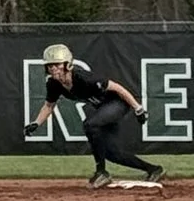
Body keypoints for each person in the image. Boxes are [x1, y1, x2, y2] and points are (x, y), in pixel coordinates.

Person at [27, 42, 162, 187]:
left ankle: (101, 172)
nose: (53, 68)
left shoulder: (83, 78)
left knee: (90, 125)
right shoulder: (53, 84)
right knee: (112, 153)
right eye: (50, 65)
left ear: (68, 64)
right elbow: (49, 105)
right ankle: (153, 169)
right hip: (103, 108)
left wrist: (138, 108)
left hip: (117, 103)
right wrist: (36, 123)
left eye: (57, 64)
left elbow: (117, 88)